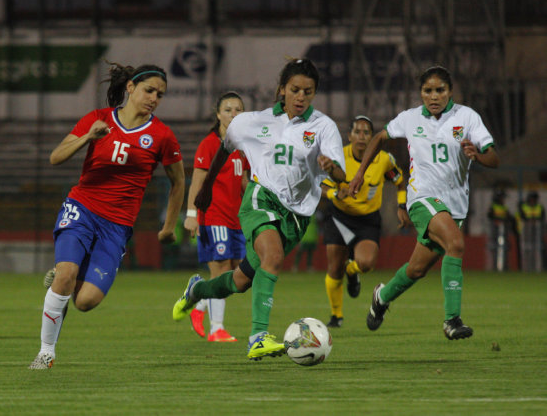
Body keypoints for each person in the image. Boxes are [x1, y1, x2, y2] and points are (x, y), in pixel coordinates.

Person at [172, 58, 346, 360]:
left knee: (240, 281)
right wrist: (206, 189)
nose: (301, 96)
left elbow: (341, 176)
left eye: (308, 91)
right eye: (295, 89)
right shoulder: (252, 121)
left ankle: (196, 292)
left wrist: (331, 168)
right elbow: (224, 149)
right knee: (274, 256)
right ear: (282, 90)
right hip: (260, 199)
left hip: (297, 216)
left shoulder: (324, 127)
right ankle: (258, 337)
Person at [30, 63, 185, 369]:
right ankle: (46, 352)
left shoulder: (162, 135)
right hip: (82, 208)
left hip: (117, 226)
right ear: (130, 88)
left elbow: (179, 180)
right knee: (66, 276)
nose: (154, 98)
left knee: (85, 302)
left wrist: (169, 226)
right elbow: (55, 157)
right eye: (149, 90)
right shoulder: (97, 119)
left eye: (160, 94)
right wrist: (88, 137)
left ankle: (67, 277)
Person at [349, 65, 499, 340]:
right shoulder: (409, 118)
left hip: (454, 206)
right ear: (420, 93)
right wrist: (359, 173)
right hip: (422, 198)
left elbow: (494, 157)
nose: (433, 96)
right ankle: (452, 320)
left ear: (450, 91)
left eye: (439, 90)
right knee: (456, 244)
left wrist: (477, 155)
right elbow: (381, 137)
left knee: (417, 269)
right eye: (427, 90)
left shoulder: (466, 117)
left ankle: (381, 297)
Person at [322, 115, 410, 328]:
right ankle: (336, 316)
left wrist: (401, 206)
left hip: (367, 221)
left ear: (372, 137)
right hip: (339, 217)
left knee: (367, 264)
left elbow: (399, 181)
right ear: (350, 135)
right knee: (334, 268)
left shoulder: (384, 160)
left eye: (366, 133)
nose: (362, 137)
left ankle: (352, 273)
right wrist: (335, 194)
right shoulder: (338, 157)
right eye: (357, 132)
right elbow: (322, 186)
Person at [181, 91, 250, 342]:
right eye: (228, 109)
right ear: (218, 114)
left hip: (236, 219)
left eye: (238, 109)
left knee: (237, 275)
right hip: (213, 217)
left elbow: (243, 181)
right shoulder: (210, 144)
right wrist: (191, 215)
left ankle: (198, 303)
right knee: (221, 272)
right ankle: (217, 329)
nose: (234, 114)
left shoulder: (243, 146)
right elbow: (196, 182)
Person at [516, 190, 545, 272]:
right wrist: (529, 221)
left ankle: (538, 267)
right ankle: (526, 268)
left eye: (534, 199)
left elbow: (542, 217)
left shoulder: (539, 207)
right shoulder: (523, 206)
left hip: (537, 233)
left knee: (537, 249)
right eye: (532, 199)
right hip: (526, 233)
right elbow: (521, 216)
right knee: (526, 249)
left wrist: (535, 221)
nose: (533, 201)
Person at [486, 188, 515, 271]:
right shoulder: (493, 206)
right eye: (502, 198)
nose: (503, 199)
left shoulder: (504, 208)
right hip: (494, 231)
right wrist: (497, 220)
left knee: (504, 247)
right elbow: (490, 216)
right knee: (494, 247)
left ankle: (504, 265)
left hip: (503, 231)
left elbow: (509, 217)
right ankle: (494, 265)